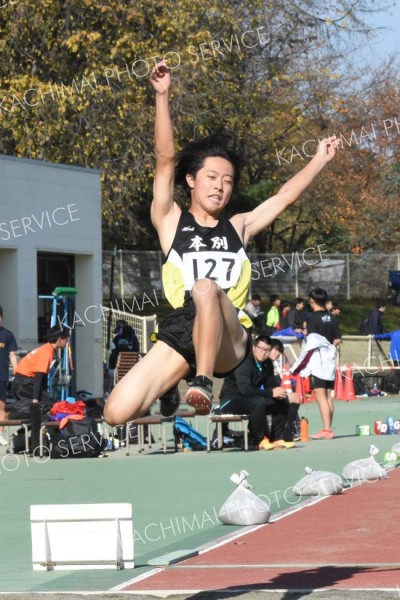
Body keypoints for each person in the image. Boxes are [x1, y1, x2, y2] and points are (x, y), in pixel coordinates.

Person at [104, 60, 341, 426]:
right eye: (211, 177)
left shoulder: (239, 226)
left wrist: (319, 161)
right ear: (191, 181)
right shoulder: (170, 221)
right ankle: (173, 385)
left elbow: (283, 198)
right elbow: (165, 159)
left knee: (206, 288)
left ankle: (200, 380)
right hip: (184, 330)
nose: (219, 186)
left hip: (229, 339)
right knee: (115, 413)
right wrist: (162, 96)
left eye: (227, 181)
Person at [219, 336, 299, 450]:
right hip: (229, 400)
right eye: (260, 348)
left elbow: (271, 385)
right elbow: (245, 389)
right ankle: (257, 440)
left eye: (267, 350)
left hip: (250, 400)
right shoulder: (244, 362)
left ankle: (277, 439)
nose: (263, 352)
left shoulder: (267, 364)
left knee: (282, 399)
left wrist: (279, 392)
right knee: (259, 401)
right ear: (254, 347)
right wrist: (271, 393)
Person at [11, 325, 70, 451]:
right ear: (60, 339)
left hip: (23, 382)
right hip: (24, 383)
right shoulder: (46, 352)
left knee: (45, 408)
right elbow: (38, 376)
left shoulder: (47, 349)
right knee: (44, 408)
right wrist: (35, 399)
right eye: (66, 338)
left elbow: (41, 378)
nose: (68, 341)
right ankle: (37, 442)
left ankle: (25, 437)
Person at [302, 287, 342, 439]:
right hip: (329, 359)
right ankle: (328, 428)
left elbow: (312, 341)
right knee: (327, 395)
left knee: (320, 395)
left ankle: (326, 430)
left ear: (312, 300)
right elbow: (338, 339)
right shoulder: (333, 317)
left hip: (318, 359)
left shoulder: (312, 318)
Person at [0, 306, 18, 446]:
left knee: (1, 407)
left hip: (2, 376)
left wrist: (16, 370)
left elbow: (12, 354)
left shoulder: (8, 335)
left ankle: (0, 434)